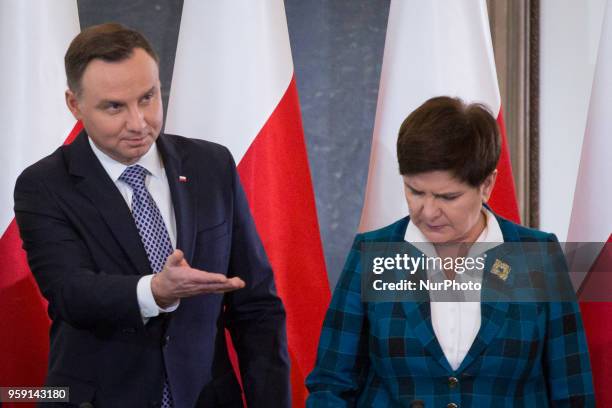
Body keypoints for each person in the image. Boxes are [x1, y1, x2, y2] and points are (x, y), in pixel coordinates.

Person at [14, 23, 289, 408]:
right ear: (74, 105)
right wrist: (155, 291)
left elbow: (256, 305)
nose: (139, 123)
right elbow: (69, 293)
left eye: (148, 97)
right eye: (114, 107)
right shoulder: (44, 185)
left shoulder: (212, 165)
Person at [305, 96, 595, 407]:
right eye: (415, 191)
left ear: (486, 184)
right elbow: (332, 384)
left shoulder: (538, 256)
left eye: (448, 196)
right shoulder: (372, 254)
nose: (428, 211)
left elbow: (572, 391)